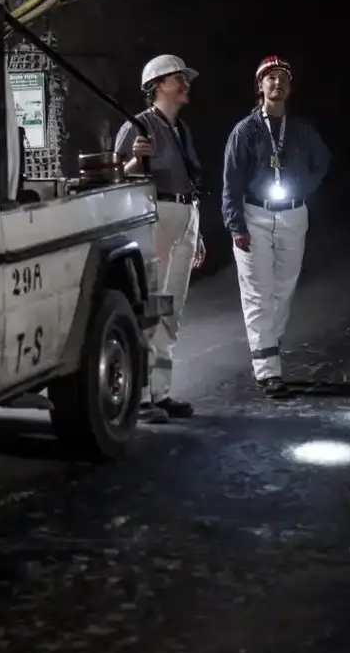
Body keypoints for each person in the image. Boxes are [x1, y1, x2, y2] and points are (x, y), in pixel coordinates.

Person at [222, 55, 332, 398]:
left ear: (290, 87)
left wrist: (305, 187)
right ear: (260, 86)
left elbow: (324, 161)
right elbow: (231, 182)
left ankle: (268, 346)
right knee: (257, 293)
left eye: (283, 77)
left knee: (282, 290)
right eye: (270, 77)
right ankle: (268, 371)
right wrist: (235, 224)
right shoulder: (245, 131)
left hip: (293, 215)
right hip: (255, 215)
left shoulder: (301, 129)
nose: (277, 83)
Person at [113, 54, 207, 422]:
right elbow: (112, 177)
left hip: (184, 214)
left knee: (172, 309)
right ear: (157, 85)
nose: (185, 84)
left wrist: (195, 228)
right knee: (153, 306)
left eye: (185, 78)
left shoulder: (180, 129)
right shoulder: (138, 126)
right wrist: (135, 163)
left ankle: (161, 393)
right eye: (177, 78)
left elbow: (190, 178)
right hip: (157, 215)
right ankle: (139, 399)